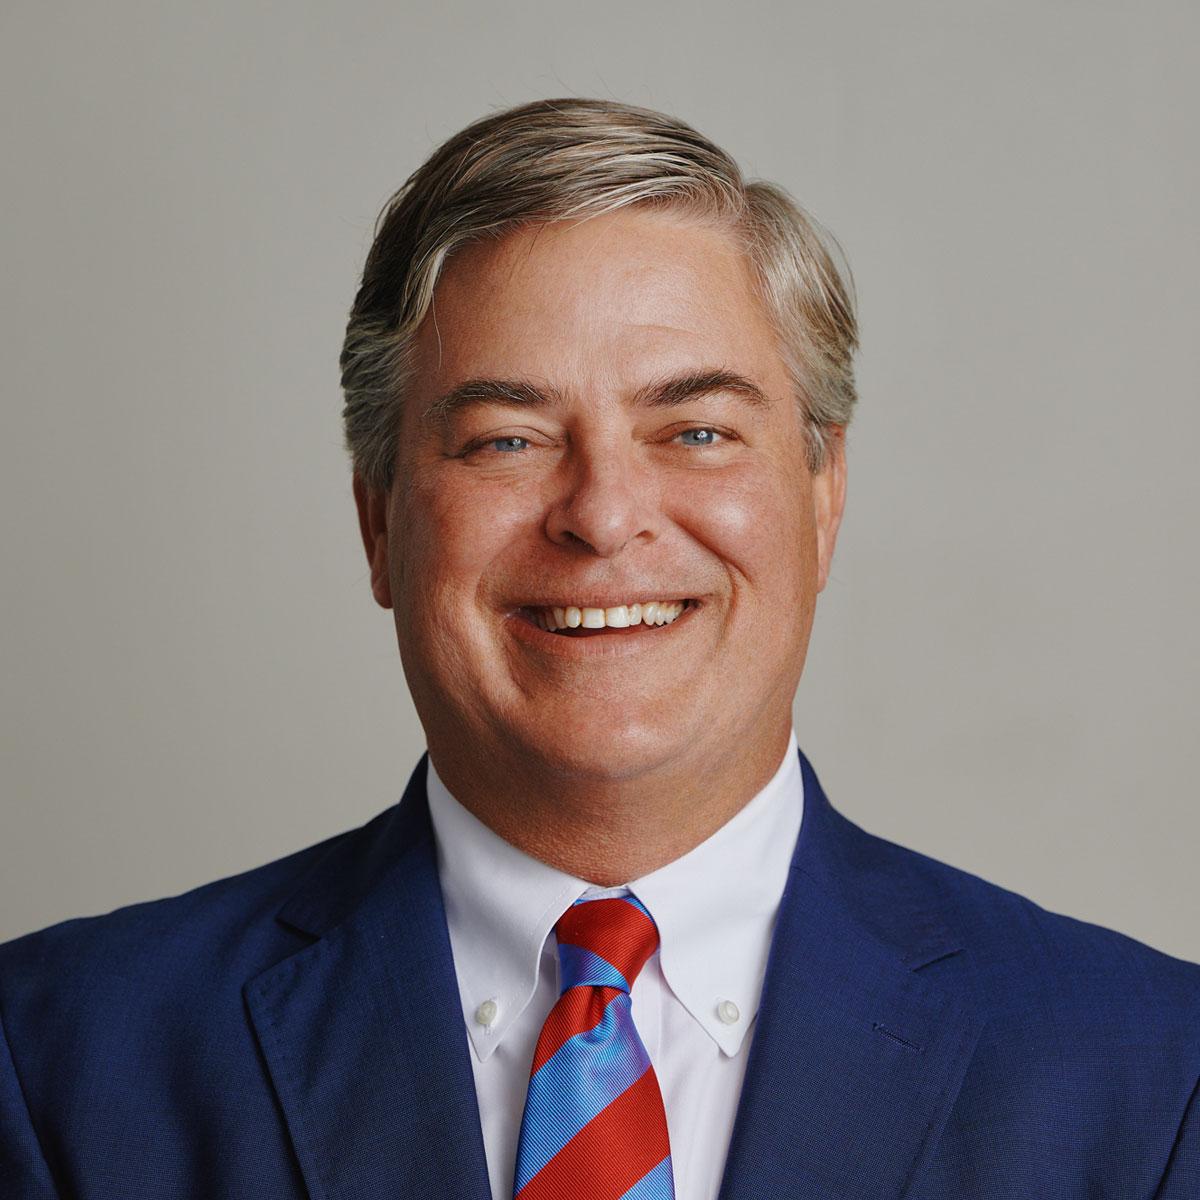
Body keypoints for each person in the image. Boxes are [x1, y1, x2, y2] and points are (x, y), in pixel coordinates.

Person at [1, 97, 1197, 1200]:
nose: (604, 513)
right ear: (378, 520)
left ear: (823, 496)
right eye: (508, 440)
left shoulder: (1151, 1076)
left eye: (696, 429)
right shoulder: (55, 1063)